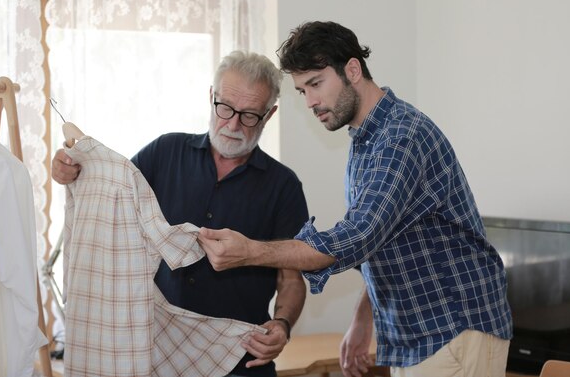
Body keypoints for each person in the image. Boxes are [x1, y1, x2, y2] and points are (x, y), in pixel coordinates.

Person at [198, 22, 513, 377]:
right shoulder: (365, 141)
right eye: (302, 91)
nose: (311, 102)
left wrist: (250, 252)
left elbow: (357, 235)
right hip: (415, 336)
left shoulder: (400, 137)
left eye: (316, 84)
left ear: (352, 69)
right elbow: (378, 241)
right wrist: (364, 319)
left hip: (453, 327)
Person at [52, 50, 309, 377]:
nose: (232, 124)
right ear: (211, 96)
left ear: (269, 115)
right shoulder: (164, 152)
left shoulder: (283, 186)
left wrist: (283, 325)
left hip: (240, 358)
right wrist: (75, 170)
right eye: (225, 107)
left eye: (249, 115)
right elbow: (113, 195)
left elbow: (291, 278)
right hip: (161, 353)